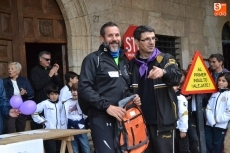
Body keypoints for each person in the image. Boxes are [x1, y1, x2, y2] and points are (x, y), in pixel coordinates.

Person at [78, 22, 141, 153]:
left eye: (117, 35)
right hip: (101, 116)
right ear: (102, 38)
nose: (114, 39)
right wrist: (107, 107)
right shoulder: (92, 59)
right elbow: (84, 88)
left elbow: (126, 87)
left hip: (124, 116)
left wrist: (134, 98)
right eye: (110, 35)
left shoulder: (125, 60)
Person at [128, 25, 182, 153]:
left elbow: (176, 76)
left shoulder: (166, 59)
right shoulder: (131, 65)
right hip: (139, 122)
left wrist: (164, 72)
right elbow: (125, 89)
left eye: (153, 38)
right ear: (136, 42)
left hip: (163, 122)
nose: (151, 42)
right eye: (146, 39)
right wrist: (131, 97)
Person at [30, 51, 62, 129]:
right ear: (40, 59)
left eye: (50, 60)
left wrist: (56, 73)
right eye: (47, 59)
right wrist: (49, 75)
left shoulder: (51, 69)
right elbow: (37, 86)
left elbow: (60, 85)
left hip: (53, 101)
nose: (49, 61)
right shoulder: (35, 70)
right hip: (42, 100)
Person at [31, 84, 65, 153]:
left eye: (56, 94)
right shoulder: (45, 103)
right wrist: (42, 121)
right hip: (49, 131)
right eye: (52, 94)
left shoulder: (61, 104)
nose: (54, 96)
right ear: (48, 95)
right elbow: (33, 112)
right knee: (52, 150)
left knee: (60, 150)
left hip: (60, 131)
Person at [3, 62, 34, 133]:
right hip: (10, 109)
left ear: (18, 71)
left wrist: (25, 92)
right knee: (10, 130)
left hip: (22, 110)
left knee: (21, 130)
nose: (9, 70)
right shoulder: (4, 82)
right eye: (8, 69)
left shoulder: (24, 80)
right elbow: (2, 96)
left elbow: (31, 93)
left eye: (12, 69)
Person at [205, 72, 230, 153]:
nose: (220, 82)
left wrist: (218, 119)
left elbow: (228, 111)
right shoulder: (215, 93)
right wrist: (211, 120)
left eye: (224, 81)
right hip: (209, 124)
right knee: (208, 142)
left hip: (220, 126)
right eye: (219, 80)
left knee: (217, 145)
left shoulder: (228, 94)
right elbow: (208, 107)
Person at [63, 83, 90, 153]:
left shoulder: (83, 102)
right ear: (71, 91)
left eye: (77, 90)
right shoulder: (66, 102)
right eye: (73, 90)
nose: (75, 92)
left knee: (85, 146)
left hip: (80, 124)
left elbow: (86, 113)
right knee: (74, 147)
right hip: (70, 125)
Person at [174, 69, 190, 153]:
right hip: (171, 129)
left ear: (178, 86)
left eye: (174, 85)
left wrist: (183, 130)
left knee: (183, 149)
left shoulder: (181, 98)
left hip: (179, 129)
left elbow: (184, 114)